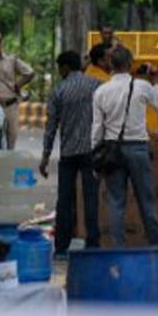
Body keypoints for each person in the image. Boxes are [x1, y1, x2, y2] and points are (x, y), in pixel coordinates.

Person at [91, 46, 158, 246]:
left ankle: (119, 248)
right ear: (130, 63)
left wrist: (95, 158)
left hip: (111, 150)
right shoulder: (143, 86)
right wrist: (155, 83)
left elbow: (97, 128)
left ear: (110, 65)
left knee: (116, 202)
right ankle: (155, 246)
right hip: (138, 149)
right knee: (146, 200)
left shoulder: (101, 91)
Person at [41, 51, 103, 256]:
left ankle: (61, 246)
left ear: (65, 67)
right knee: (91, 198)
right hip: (91, 151)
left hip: (68, 153)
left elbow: (51, 127)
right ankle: (93, 243)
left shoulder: (59, 90)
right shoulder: (97, 85)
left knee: (65, 200)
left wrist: (45, 156)